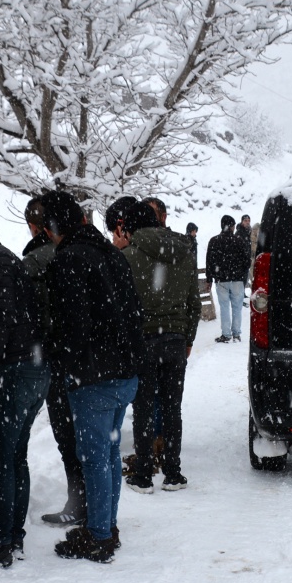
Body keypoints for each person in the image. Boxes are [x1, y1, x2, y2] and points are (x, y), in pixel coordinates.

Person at [41, 189, 145, 563]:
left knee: (95, 457)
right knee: (110, 452)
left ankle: (99, 535)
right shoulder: (111, 256)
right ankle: (107, 525)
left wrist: (61, 359)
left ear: (54, 229)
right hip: (125, 372)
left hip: (94, 376)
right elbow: (134, 312)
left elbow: (74, 325)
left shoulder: (68, 261)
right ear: (83, 219)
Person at [0, 207, 48, 568]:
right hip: (34, 368)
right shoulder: (9, 260)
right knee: (15, 454)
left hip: (13, 371)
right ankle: (12, 534)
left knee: (0, 456)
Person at [120, 200, 200, 493]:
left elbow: (123, 308)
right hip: (176, 340)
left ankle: (143, 474)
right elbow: (193, 303)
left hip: (144, 340)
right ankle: (173, 472)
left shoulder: (128, 257)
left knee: (143, 407)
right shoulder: (184, 251)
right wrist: (188, 338)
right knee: (172, 407)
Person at [23, 198, 88, 528]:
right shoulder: (80, 252)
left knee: (67, 434)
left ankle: (78, 502)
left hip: (54, 359)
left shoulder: (33, 262)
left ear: (35, 228)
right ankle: (92, 502)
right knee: (86, 435)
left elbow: (31, 318)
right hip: (85, 359)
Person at [206, 214, 250, 342]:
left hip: (221, 280)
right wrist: (242, 275)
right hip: (237, 280)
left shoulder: (214, 241)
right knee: (237, 307)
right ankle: (236, 334)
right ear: (231, 226)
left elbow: (209, 261)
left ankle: (226, 334)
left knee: (224, 307)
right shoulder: (239, 241)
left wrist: (210, 278)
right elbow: (247, 261)